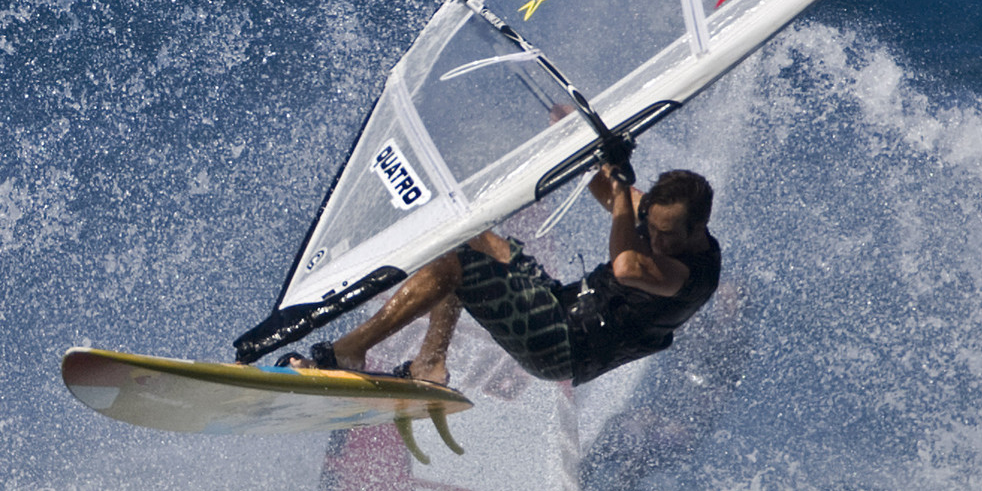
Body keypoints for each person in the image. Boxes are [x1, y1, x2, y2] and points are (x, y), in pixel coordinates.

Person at [295, 166, 720, 391]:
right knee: (469, 235)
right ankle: (430, 364)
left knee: (455, 264)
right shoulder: (665, 218)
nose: (657, 239)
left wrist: (624, 193)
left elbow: (626, 265)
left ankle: (348, 352)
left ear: (698, 227)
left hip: (565, 346)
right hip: (559, 303)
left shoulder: (693, 276)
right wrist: (592, 146)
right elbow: (610, 193)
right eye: (653, 227)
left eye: (667, 234)